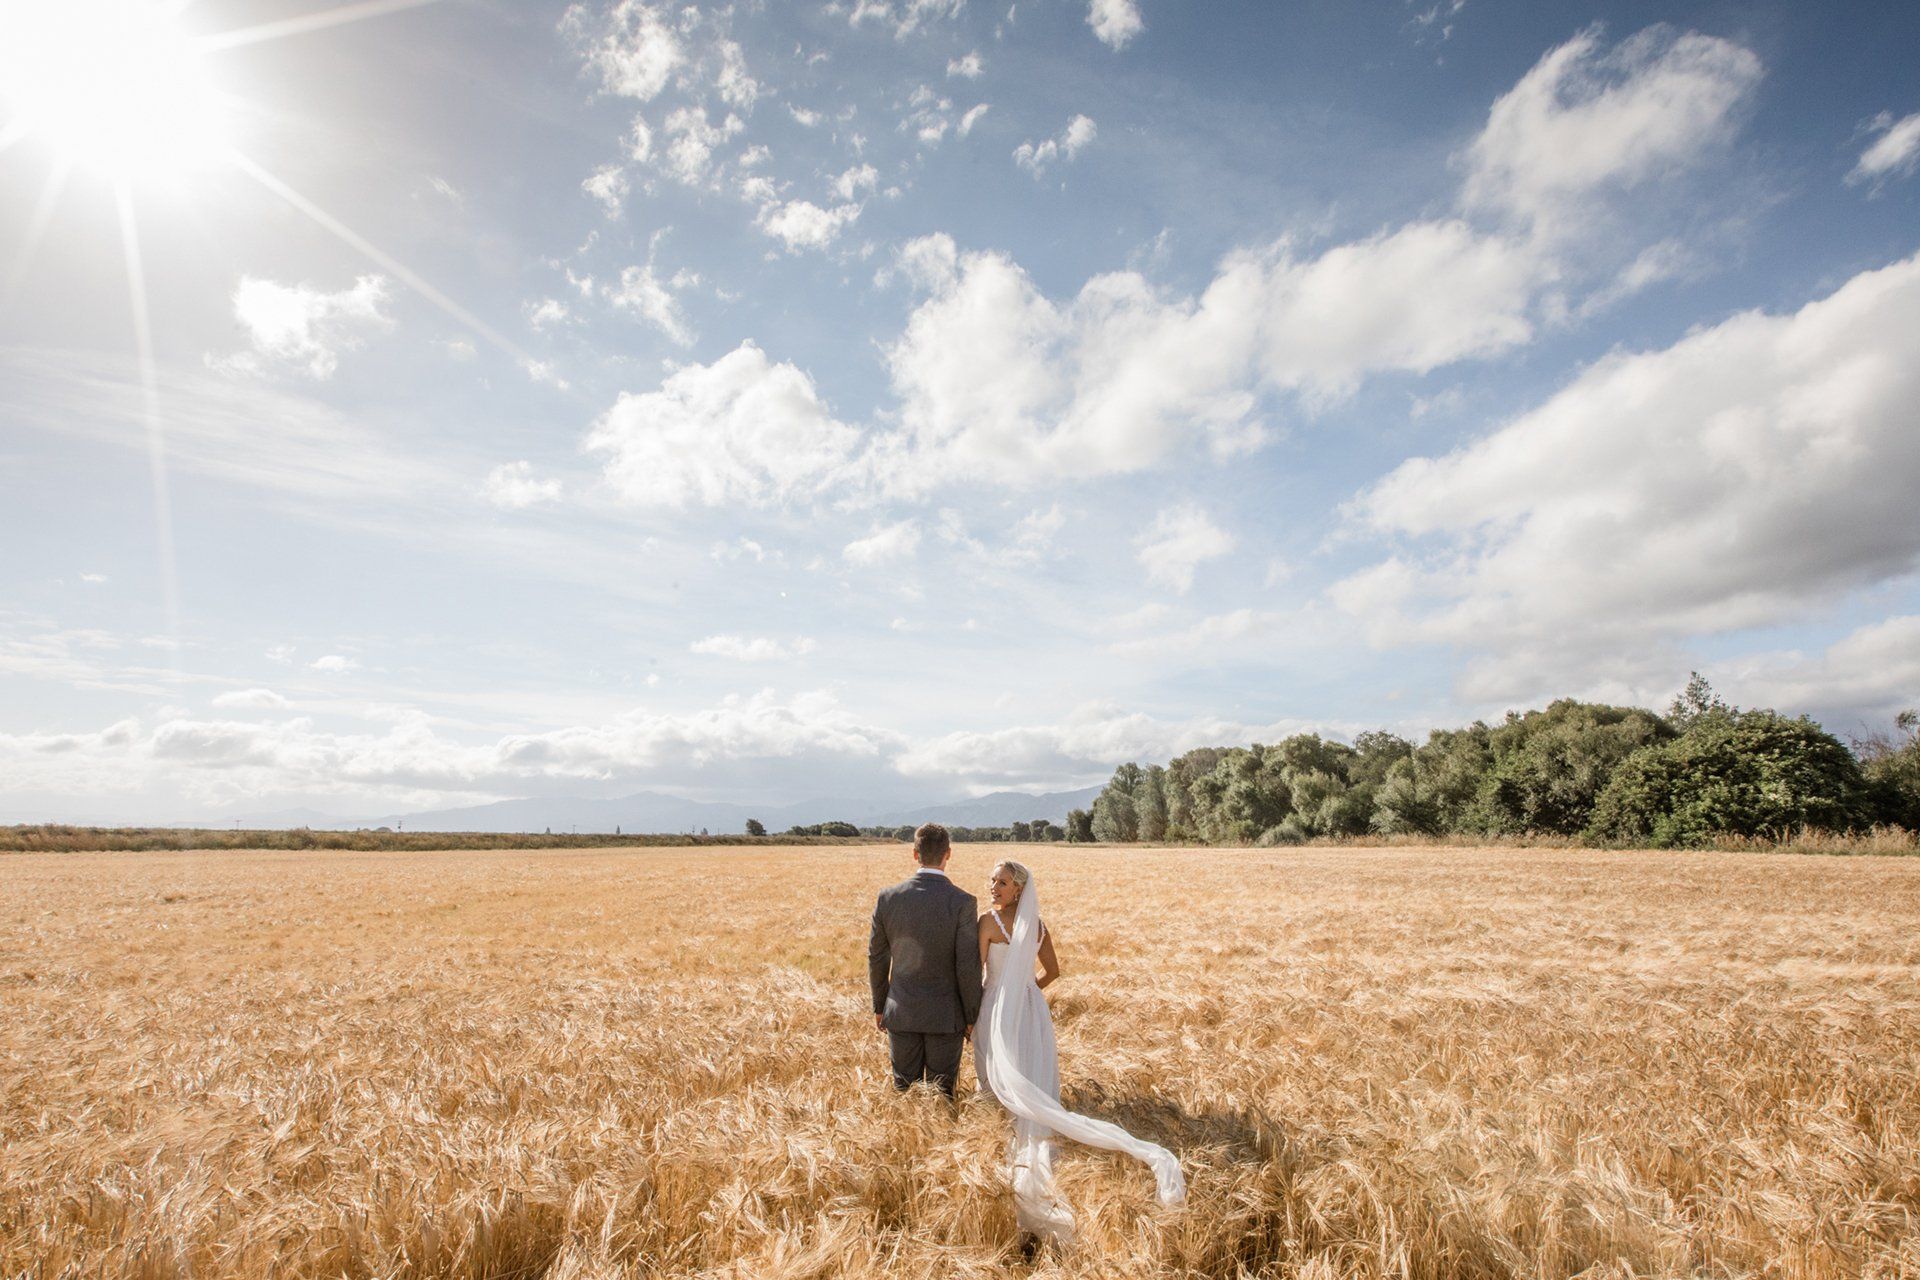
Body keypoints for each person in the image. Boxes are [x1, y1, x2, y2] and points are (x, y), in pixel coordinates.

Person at [973, 858, 1185, 1245]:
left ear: (1018, 888)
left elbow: (976, 972)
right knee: (1026, 1073)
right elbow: (1052, 972)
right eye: (992, 881)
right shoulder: (1036, 926)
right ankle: (1022, 1135)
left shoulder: (988, 922)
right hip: (1029, 1009)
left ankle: (1002, 1140)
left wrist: (1000, 995)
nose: (994, 888)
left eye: (1001, 883)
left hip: (997, 1010)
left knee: (998, 1075)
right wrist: (1025, 989)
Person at [867, 822, 982, 1096]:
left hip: (901, 1011)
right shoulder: (963, 902)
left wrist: (880, 1006)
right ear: (949, 853)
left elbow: (876, 957)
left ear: (915, 853)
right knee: (942, 1096)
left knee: (904, 1093)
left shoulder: (888, 898)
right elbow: (967, 964)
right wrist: (971, 1015)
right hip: (946, 1015)